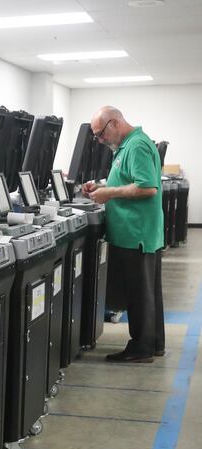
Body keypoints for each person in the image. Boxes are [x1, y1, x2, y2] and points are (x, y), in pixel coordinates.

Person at [82, 106, 165, 363]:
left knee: (139, 293)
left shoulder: (136, 146)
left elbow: (147, 188)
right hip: (138, 233)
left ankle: (141, 349)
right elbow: (129, 180)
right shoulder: (126, 146)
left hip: (136, 234)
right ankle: (154, 343)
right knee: (148, 292)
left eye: (100, 134)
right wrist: (102, 186)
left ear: (114, 123)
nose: (100, 140)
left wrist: (109, 194)